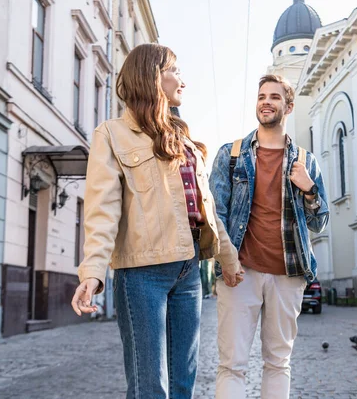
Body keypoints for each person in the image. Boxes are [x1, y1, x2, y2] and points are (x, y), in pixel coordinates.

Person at [70, 43, 243, 399]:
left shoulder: (185, 141)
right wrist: (91, 272)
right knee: (150, 385)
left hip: (189, 268)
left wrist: (228, 258)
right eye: (175, 71)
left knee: (184, 381)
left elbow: (206, 209)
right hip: (141, 273)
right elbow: (102, 210)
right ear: (152, 76)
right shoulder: (111, 135)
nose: (183, 80)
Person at [209, 74, 329, 399]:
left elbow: (319, 222)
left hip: (288, 276)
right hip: (240, 273)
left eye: (275, 97)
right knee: (232, 364)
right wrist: (226, 261)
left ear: (288, 106)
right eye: (262, 96)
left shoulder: (305, 162)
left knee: (278, 362)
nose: (266, 102)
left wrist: (310, 189)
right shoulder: (231, 155)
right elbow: (215, 215)